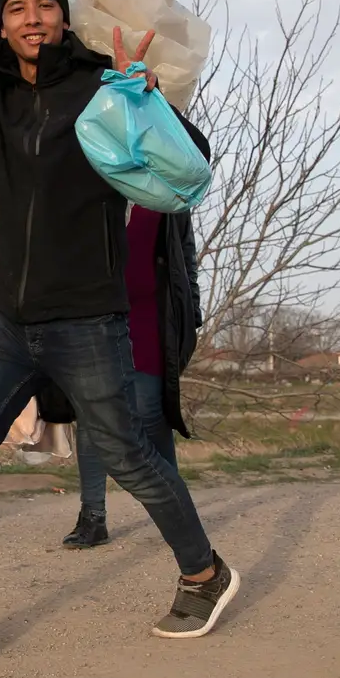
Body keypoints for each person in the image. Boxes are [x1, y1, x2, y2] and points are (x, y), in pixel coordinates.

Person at [0, 0, 237, 667]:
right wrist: (7, 45)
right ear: (2, 17)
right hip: (6, 313)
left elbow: (193, 154)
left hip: (86, 315)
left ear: (65, 11)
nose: (33, 19)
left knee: (131, 457)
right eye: (17, 8)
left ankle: (205, 572)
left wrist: (146, 94)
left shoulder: (103, 81)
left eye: (45, 5)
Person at [57, 188, 208, 549]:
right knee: (92, 416)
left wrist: (193, 310)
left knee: (150, 414)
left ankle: (175, 512)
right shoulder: (93, 179)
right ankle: (93, 517)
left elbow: (184, 253)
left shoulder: (165, 189)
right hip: (97, 315)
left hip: (149, 319)